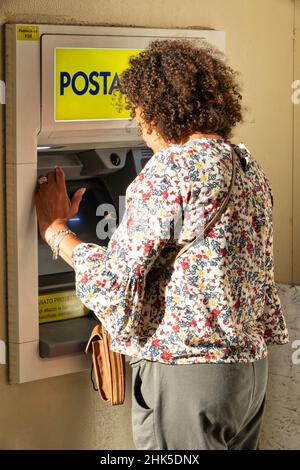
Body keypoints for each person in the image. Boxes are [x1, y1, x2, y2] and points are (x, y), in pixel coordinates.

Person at [35, 39, 289, 450]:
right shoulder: (245, 164)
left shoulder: (175, 167)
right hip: (247, 376)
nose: (140, 126)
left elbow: (116, 282)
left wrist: (56, 231)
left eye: (137, 113)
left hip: (189, 373)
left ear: (156, 109)